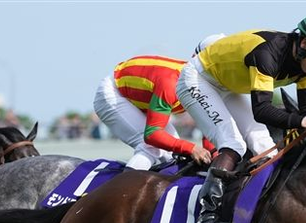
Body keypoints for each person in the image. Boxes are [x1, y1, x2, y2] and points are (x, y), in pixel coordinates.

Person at [177, 11, 306, 223]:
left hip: (227, 86)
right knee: (233, 144)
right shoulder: (268, 54)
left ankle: (259, 211)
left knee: (266, 149)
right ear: (304, 43)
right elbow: (262, 112)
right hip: (198, 80)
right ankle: (207, 214)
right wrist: (304, 122)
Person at [93, 35, 225, 171]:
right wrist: (192, 148)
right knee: (152, 148)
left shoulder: (209, 85)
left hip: (139, 95)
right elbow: (152, 135)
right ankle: (123, 184)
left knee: (170, 157)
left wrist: (215, 158)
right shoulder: (171, 83)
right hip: (113, 94)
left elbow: (210, 130)